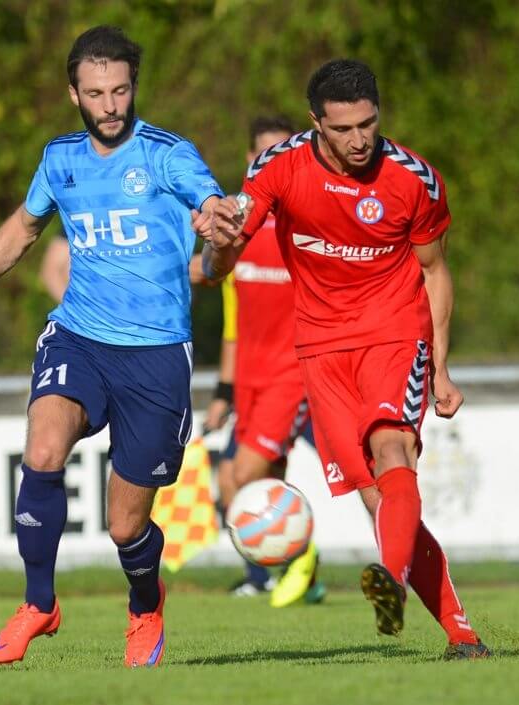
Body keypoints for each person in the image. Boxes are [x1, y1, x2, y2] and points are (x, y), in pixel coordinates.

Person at [0, 25, 223, 668]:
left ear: (133, 88)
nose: (111, 105)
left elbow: (212, 209)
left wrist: (214, 221)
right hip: (81, 335)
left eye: (120, 90)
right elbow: (25, 225)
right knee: (42, 450)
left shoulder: (168, 155)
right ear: (75, 94)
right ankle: (39, 603)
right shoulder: (59, 159)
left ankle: (145, 607)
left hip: (156, 353)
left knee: (126, 526)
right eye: (96, 93)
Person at [197, 59, 490, 659]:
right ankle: (462, 635)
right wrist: (217, 243)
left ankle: (391, 579)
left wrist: (440, 367)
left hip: (394, 333)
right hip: (321, 349)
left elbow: (435, 271)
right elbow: (227, 253)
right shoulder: (278, 168)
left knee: (392, 449)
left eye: (369, 124)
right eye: (344, 129)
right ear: (316, 123)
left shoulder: (414, 179)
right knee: (381, 501)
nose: (359, 140)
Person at [201, 116, 326, 607]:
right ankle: (290, 573)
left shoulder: (310, 223)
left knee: (251, 474)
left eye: (282, 152)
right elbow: (233, 323)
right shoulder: (237, 227)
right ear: (250, 160)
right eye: (263, 154)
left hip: (291, 375)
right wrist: (223, 392)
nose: (271, 162)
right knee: (233, 481)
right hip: (250, 378)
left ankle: (303, 555)